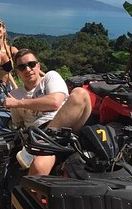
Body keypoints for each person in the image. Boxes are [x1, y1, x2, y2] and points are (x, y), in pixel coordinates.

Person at [5, 48, 93, 176]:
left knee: (80, 93)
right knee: (39, 167)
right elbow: (19, 126)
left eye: (31, 64)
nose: (28, 69)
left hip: (66, 127)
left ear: (38, 65)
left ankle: (43, 143)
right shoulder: (15, 94)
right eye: (22, 67)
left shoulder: (50, 77)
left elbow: (54, 103)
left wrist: (18, 103)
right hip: (39, 133)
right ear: (17, 71)